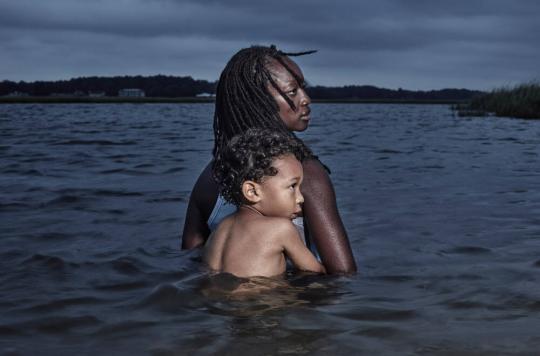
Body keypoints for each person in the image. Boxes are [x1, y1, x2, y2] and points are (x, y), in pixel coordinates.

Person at [181, 45, 357, 274]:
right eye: (293, 91)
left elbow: (188, 264)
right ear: (259, 101)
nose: (306, 99)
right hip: (288, 306)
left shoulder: (211, 176)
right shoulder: (305, 173)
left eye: (303, 88)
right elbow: (344, 275)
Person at [204, 129, 326, 277]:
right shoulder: (282, 229)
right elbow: (316, 271)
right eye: (292, 186)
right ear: (253, 192)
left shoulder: (220, 228)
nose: (301, 198)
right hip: (260, 299)